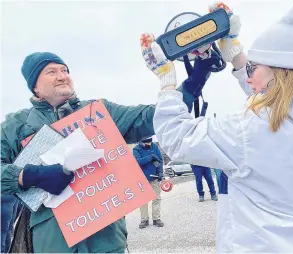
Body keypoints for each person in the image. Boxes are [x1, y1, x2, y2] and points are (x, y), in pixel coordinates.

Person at [141, 1, 293, 252]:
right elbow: (276, 109)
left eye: (253, 68)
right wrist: (234, 52)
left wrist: (167, 82)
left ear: (277, 72)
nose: (248, 76)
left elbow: (175, 137)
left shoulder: (248, 131)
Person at [1, 48, 220, 252]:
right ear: (35, 87)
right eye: (51, 72)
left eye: (65, 70)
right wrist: (27, 175)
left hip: (106, 237)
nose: (62, 76)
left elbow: (152, 117)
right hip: (53, 240)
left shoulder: (97, 111)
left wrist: (195, 81)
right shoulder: (16, 126)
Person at [133, 138, 164, 228]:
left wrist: (160, 172)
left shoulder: (155, 146)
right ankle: (144, 220)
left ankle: (156, 219)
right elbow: (138, 161)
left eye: (150, 142)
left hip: (154, 177)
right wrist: (150, 157)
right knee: (143, 200)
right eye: (146, 143)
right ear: (141, 142)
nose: (148, 144)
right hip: (142, 178)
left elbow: (160, 160)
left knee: (157, 198)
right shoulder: (136, 149)